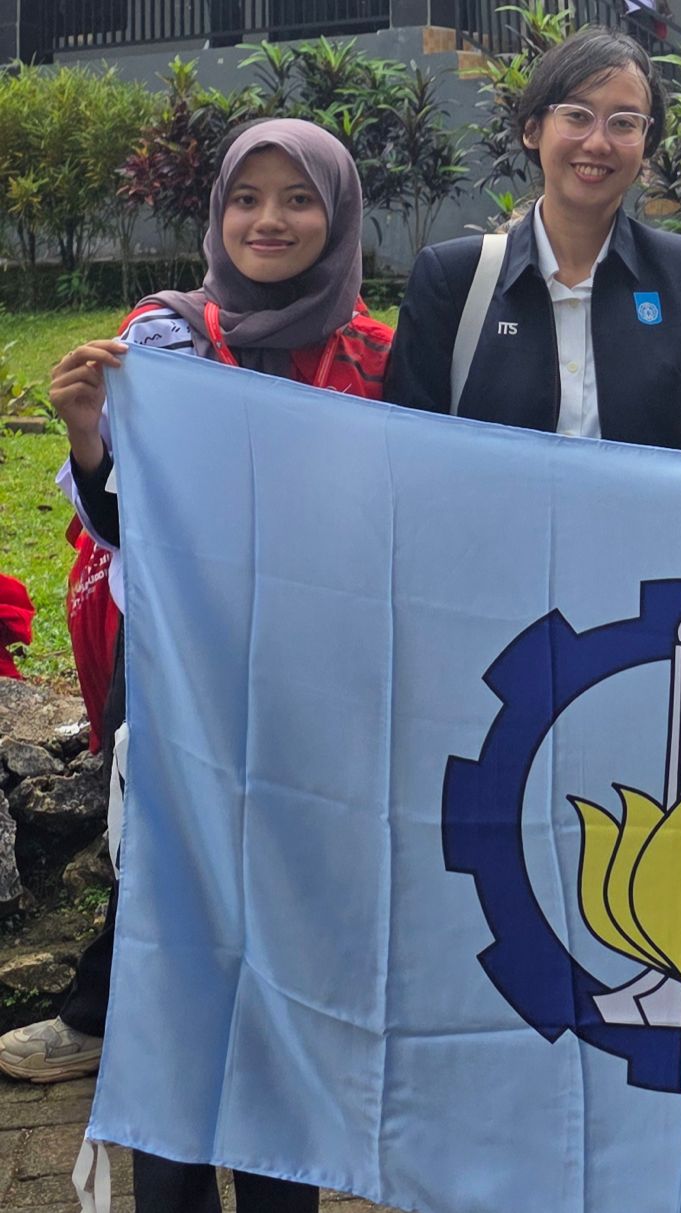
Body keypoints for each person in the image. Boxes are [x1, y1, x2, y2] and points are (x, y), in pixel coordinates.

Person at [0, 116, 394, 1213]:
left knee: (289, 979)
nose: (269, 220)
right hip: (179, 705)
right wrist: (88, 437)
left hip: (318, 713)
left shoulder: (378, 362)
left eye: (298, 197)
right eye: (245, 198)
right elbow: (133, 530)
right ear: (217, 214)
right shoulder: (164, 341)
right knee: (176, 974)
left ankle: (283, 1191)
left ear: (339, 212)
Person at [384, 26, 681, 452]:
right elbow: (409, 453)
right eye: (576, 115)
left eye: (624, 123)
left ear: (646, 143)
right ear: (532, 130)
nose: (597, 142)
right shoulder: (453, 281)